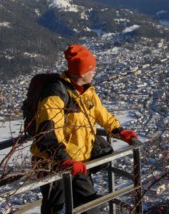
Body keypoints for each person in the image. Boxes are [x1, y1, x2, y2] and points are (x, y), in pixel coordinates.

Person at [31, 44, 138, 213]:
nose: (94, 72)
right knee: (55, 207)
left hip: (77, 161)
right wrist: (63, 159)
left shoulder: (85, 91)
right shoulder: (56, 95)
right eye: (92, 69)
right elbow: (48, 132)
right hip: (53, 163)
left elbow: (100, 112)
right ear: (82, 72)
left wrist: (118, 130)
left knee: (88, 205)